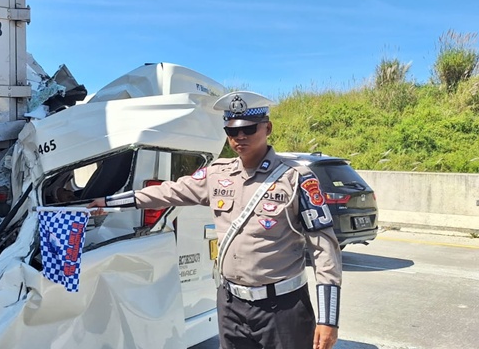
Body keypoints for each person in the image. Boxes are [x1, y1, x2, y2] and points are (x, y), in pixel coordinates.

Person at [87, 91, 342, 349]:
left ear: (268, 128)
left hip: (283, 308)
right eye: (232, 131)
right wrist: (109, 203)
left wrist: (328, 319)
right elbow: (169, 191)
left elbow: (324, 249)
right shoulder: (218, 174)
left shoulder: (296, 178)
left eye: (249, 129)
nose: (240, 137)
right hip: (231, 304)